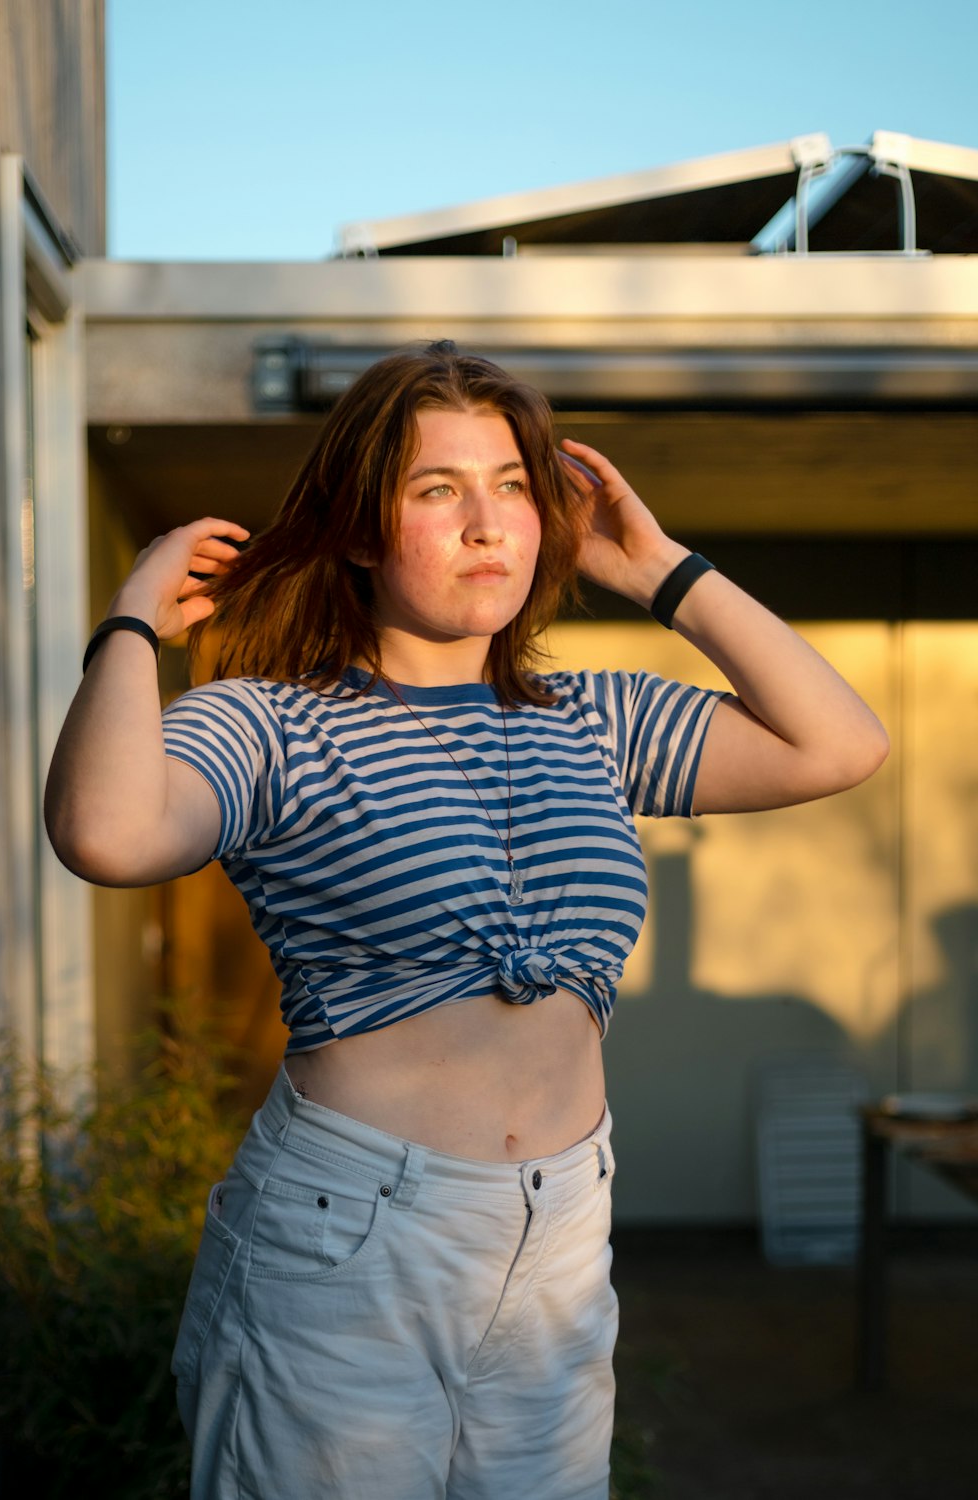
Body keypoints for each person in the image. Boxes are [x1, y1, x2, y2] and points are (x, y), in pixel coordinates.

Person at [45, 342, 888, 1500]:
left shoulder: (594, 719)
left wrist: (662, 574)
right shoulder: (271, 726)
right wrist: (132, 623)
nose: (487, 523)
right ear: (356, 529)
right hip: (348, 1243)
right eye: (437, 490)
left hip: (557, 1243)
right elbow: (106, 833)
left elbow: (839, 744)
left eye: (511, 486)